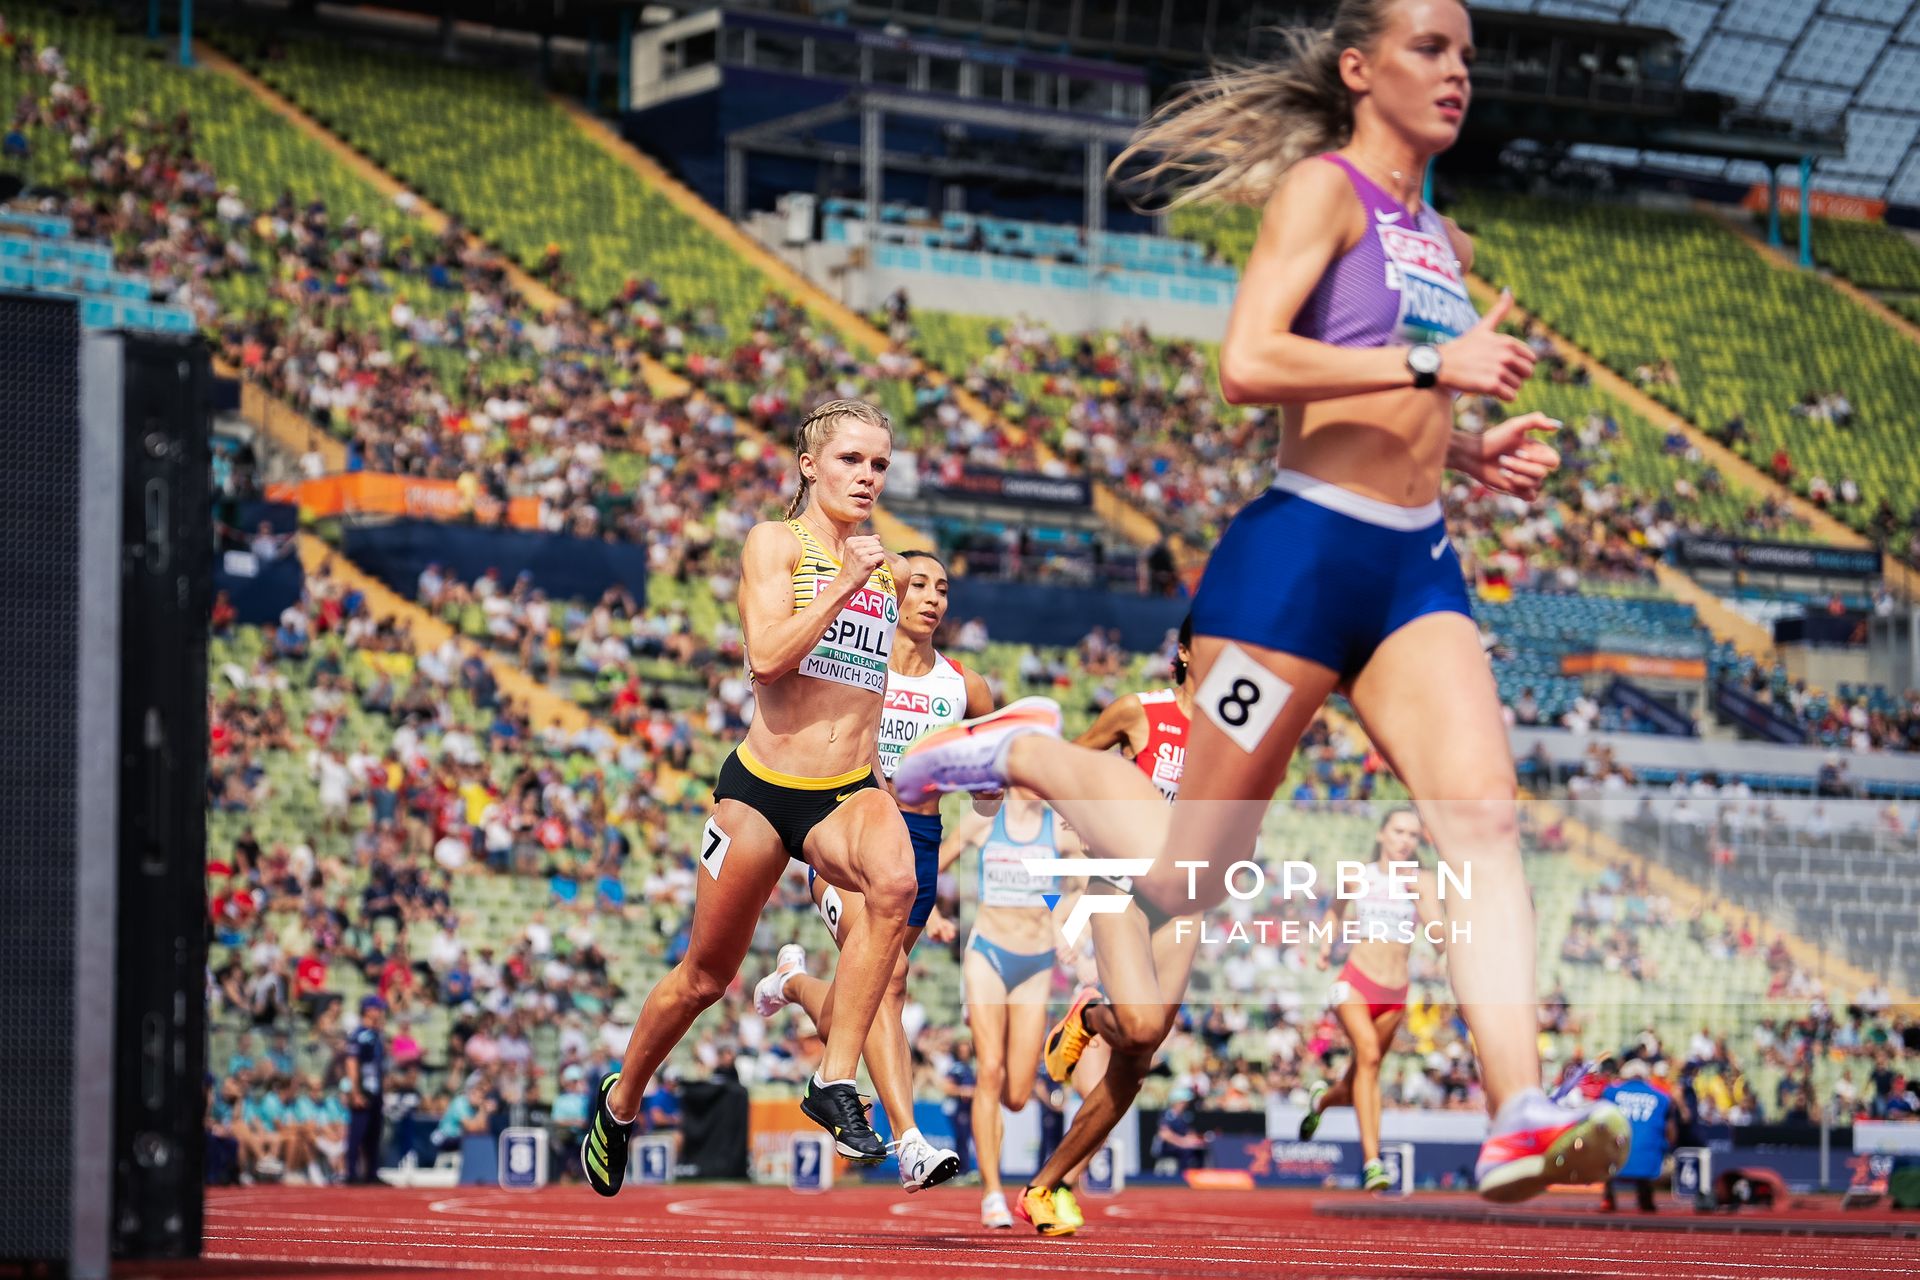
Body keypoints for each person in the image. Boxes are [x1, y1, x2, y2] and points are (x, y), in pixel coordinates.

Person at [896, 0, 1625, 1233]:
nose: (1457, 73)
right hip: (1294, 563)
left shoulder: (1440, 236)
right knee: (1190, 871)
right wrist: (1427, 374)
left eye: (1466, 54)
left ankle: (1518, 1110)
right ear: (1359, 68)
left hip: (1415, 566)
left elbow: (1406, 402)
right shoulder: (1322, 192)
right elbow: (1252, 362)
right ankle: (1013, 747)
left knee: (1484, 818)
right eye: (1428, 48)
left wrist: (1469, 449)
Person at [582, 400, 926, 1195]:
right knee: (706, 976)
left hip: (847, 789)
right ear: (811, 464)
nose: (867, 476)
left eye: (878, 464)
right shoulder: (779, 544)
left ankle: (833, 1078)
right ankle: (622, 1100)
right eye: (850, 461)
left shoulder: (888, 563)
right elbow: (766, 660)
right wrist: (845, 582)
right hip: (763, 792)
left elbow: (896, 682)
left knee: (897, 885)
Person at [753, 550, 998, 1193]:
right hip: (848, 827)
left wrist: (990, 777)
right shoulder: (856, 665)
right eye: (917, 584)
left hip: (917, 839)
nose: (931, 597)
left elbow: (986, 793)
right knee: (888, 984)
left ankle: (794, 984)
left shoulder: (967, 688)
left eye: (942, 587)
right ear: (889, 590)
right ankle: (909, 1141)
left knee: (857, 1007)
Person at [939, 786, 1083, 1226]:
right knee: (990, 1070)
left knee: (1018, 1094)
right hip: (988, 954)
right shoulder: (985, 819)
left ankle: (1000, 1078)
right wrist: (930, 915)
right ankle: (992, 1194)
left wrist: (1066, 925)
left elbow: (1084, 885)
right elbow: (934, 861)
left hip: (1035, 963)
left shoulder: (1059, 829)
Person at [1297, 808, 1446, 1191]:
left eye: (1413, 835)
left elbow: (1437, 932)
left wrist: (1442, 931)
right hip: (1355, 982)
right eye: (1398, 831)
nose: (1405, 840)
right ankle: (1372, 1162)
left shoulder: (1422, 880)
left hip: (1396, 992)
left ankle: (1323, 1101)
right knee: (1370, 1056)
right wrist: (1324, 949)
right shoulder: (1357, 875)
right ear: (1381, 834)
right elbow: (1334, 911)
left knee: (1363, 1072)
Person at [1600, 1059, 1676, 1213]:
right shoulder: (1662, 1097)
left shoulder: (1610, 1093)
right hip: (1650, 1164)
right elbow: (1671, 1131)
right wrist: (1666, 1148)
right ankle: (1646, 1198)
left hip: (1615, 1161)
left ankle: (1608, 1198)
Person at [346, 995, 388, 1184]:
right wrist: (355, 1091)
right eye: (377, 1009)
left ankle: (371, 1172)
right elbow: (352, 1062)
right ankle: (351, 1173)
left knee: (374, 1133)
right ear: (368, 1010)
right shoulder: (360, 1034)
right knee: (358, 1132)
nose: (380, 1012)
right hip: (364, 1088)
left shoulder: (375, 1034)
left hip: (376, 1089)